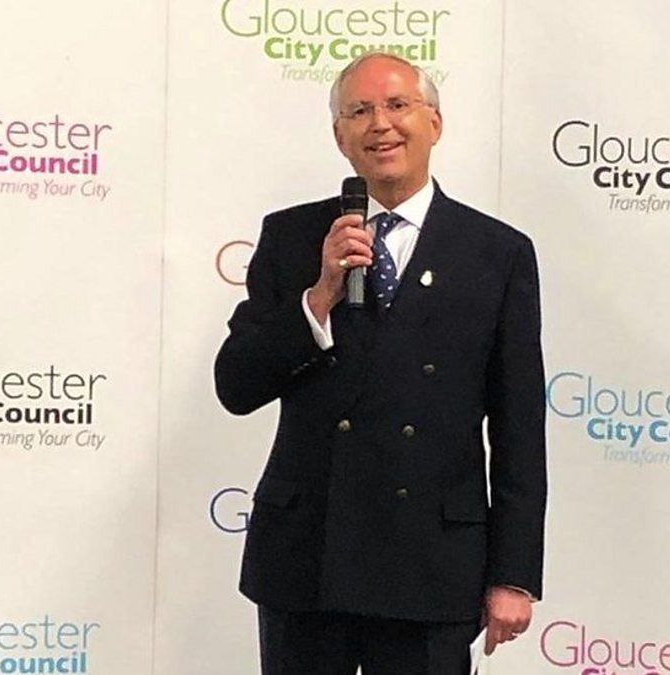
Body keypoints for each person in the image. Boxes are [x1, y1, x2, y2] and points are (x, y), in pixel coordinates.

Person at [214, 52, 546, 675]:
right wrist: (318, 298)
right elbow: (235, 385)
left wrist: (514, 574)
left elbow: (519, 426)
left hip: (432, 565)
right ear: (340, 136)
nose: (380, 124)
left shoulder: (495, 253)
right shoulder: (293, 237)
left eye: (398, 105)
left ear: (435, 123)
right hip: (308, 560)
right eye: (359, 111)